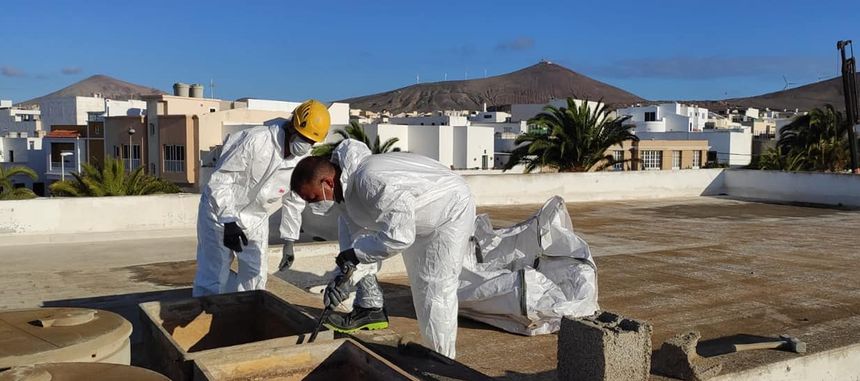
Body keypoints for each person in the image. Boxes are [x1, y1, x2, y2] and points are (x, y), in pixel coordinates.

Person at [290, 139, 476, 359]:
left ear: (328, 183)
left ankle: (443, 363)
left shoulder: (371, 181)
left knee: (436, 290)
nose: (313, 205)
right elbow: (359, 244)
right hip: (416, 218)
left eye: (312, 198)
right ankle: (435, 354)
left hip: (450, 211)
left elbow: (399, 237)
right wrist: (342, 279)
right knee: (422, 289)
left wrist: (355, 255)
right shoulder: (346, 197)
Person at [192, 99, 331, 297]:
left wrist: (289, 240)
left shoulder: (300, 160)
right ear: (292, 126)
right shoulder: (254, 141)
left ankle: (247, 320)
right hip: (218, 217)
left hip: (255, 221)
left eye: (310, 142)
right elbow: (221, 180)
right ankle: (204, 321)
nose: (305, 145)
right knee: (213, 277)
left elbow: (294, 198)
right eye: (303, 137)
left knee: (256, 278)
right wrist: (228, 220)